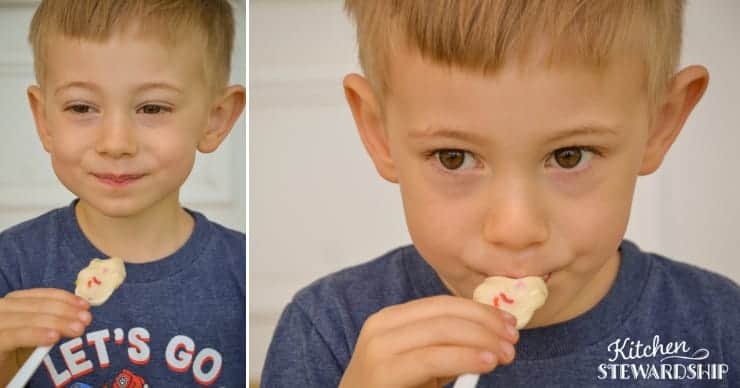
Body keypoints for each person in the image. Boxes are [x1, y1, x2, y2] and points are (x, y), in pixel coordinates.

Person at [262, 1, 739, 386]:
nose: (515, 229)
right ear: (378, 131)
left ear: (660, 124)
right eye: (454, 158)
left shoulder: (718, 330)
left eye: (570, 156)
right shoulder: (328, 332)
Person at [0, 1, 246, 386]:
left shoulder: (241, 273)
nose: (116, 143)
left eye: (152, 107)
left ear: (215, 119)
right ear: (44, 119)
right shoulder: (10, 266)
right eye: (81, 106)